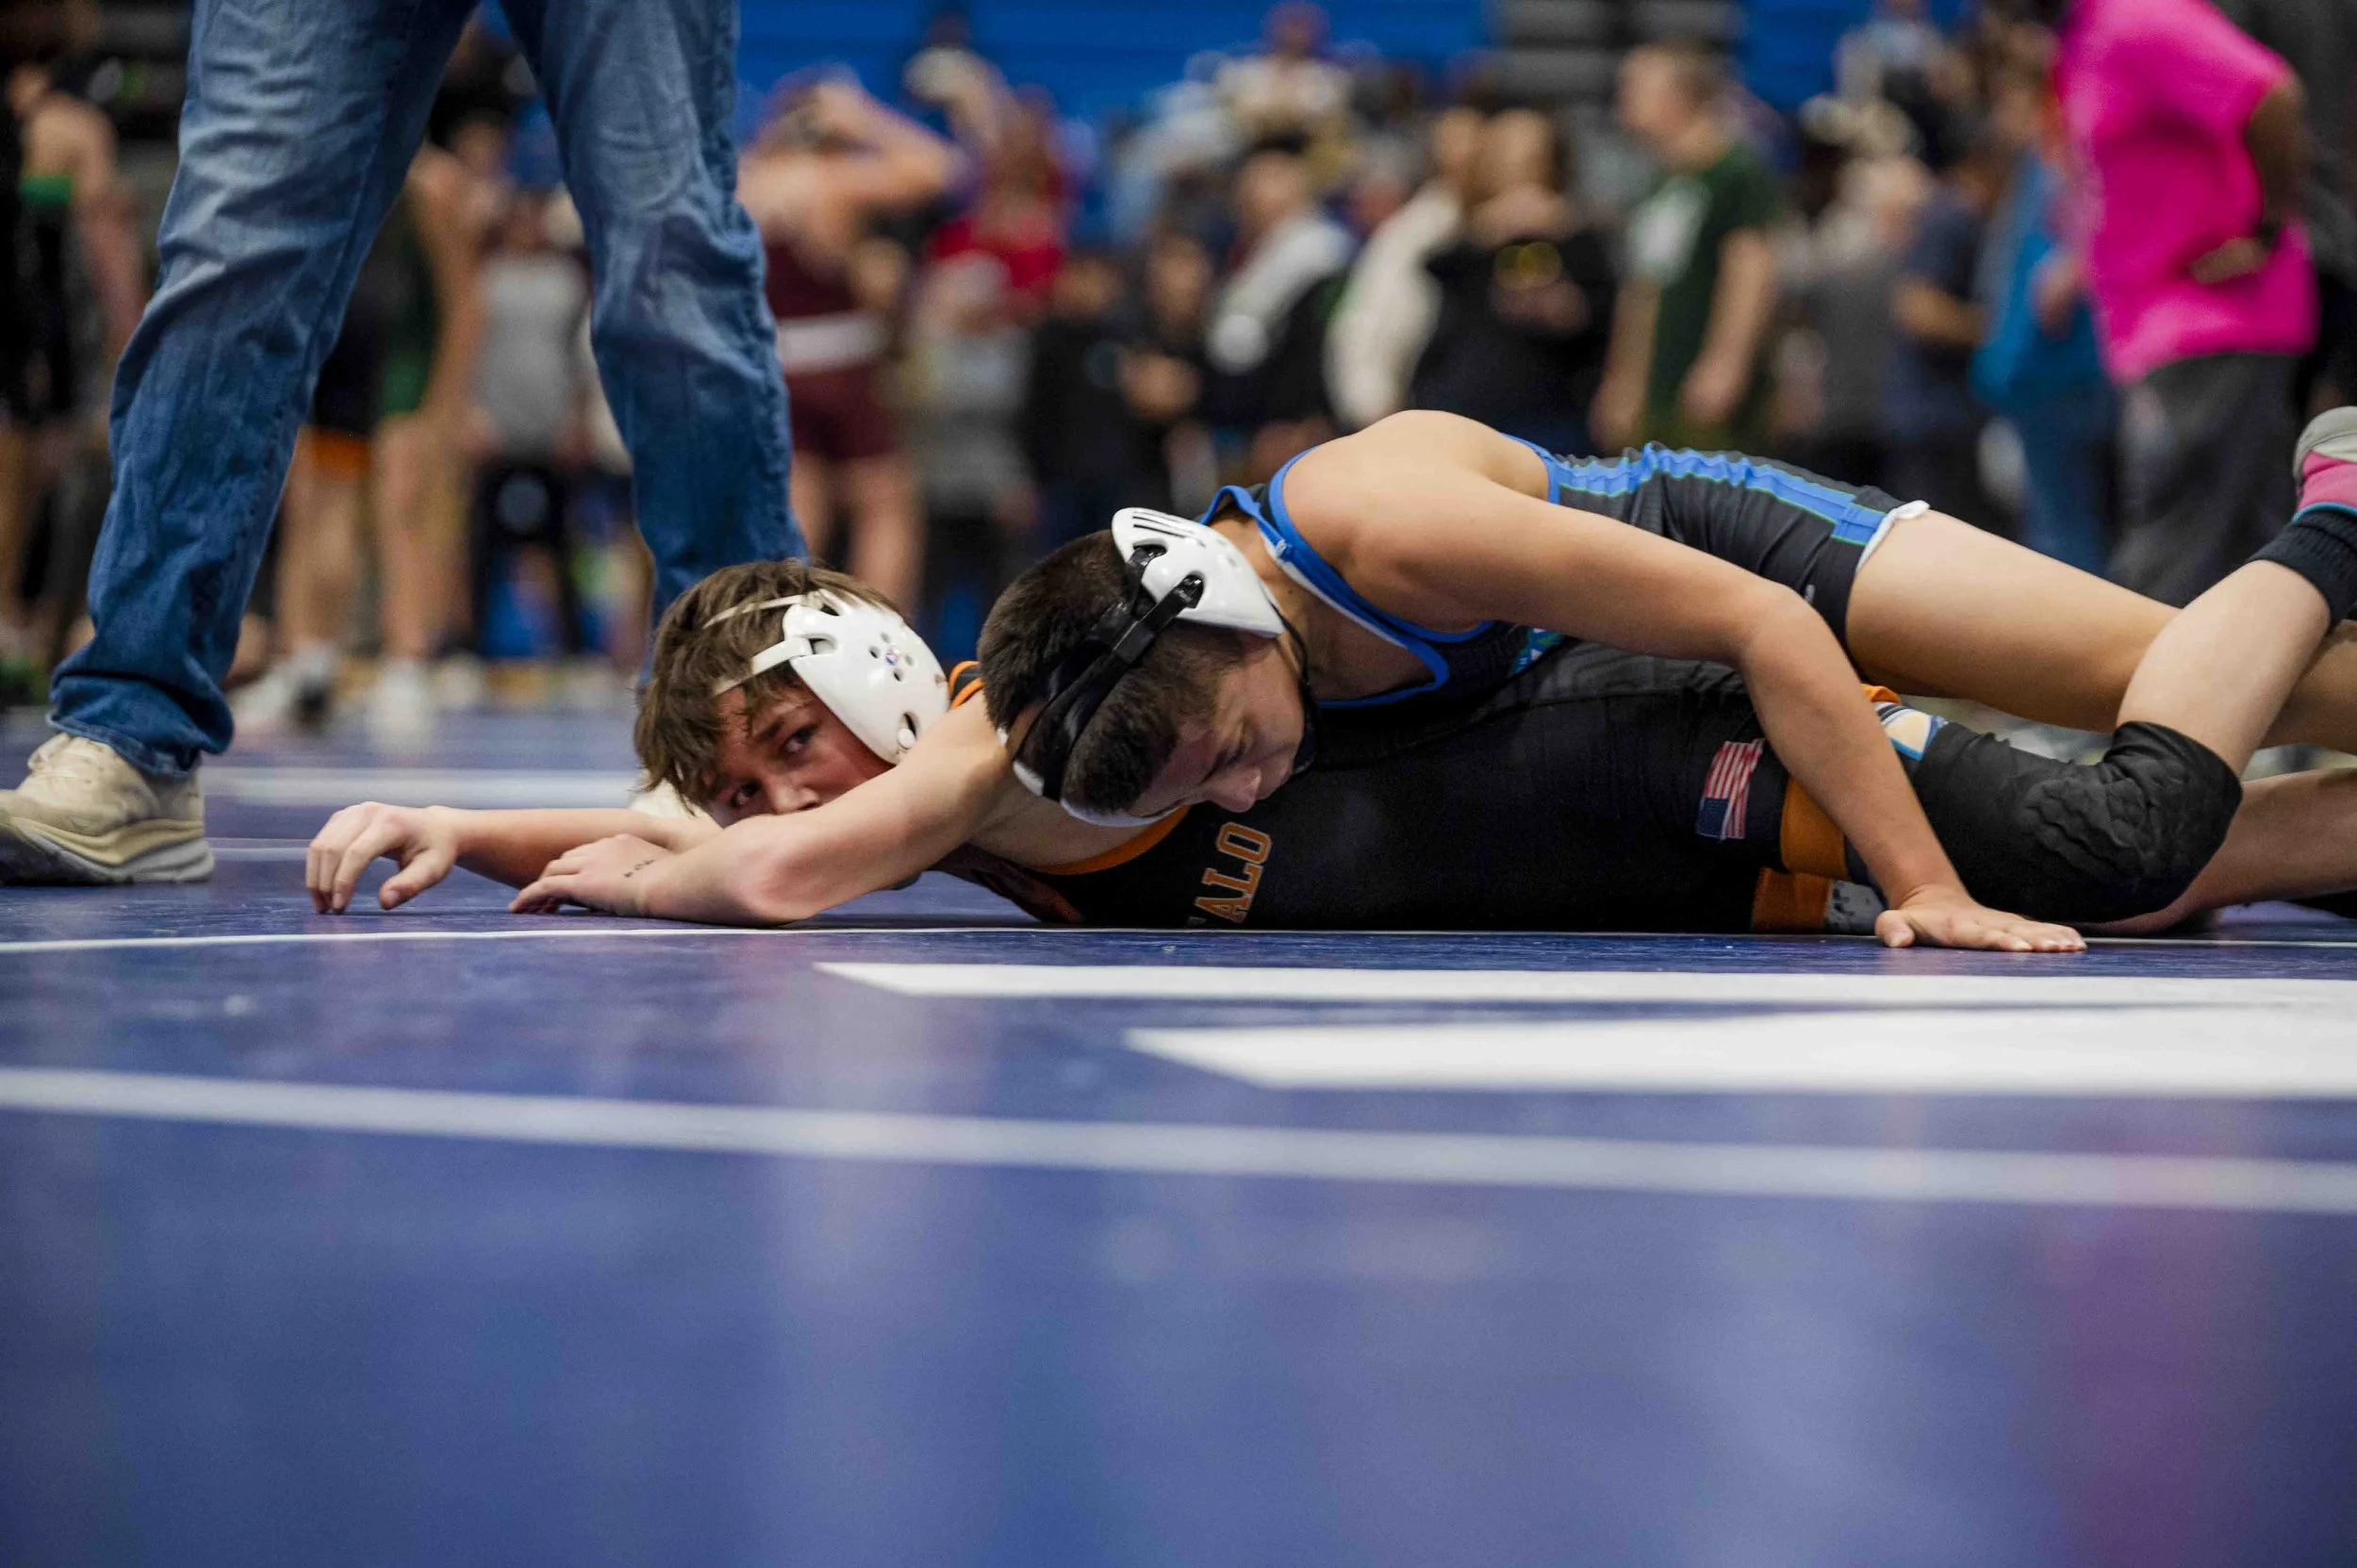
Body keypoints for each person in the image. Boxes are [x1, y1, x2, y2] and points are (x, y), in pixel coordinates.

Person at [314, 405, 2357, 950]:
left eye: (784, 747)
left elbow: (1759, 625)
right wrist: (468, 826)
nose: (787, 797)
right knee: (2149, 834)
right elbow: (723, 829)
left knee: (2159, 681)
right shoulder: (1094, 679)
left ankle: (2334, 496)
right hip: (1614, 698)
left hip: (1721, 564)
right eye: (756, 780)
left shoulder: (1359, 533)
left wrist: (1916, 886)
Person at [0, 0, 803, 888]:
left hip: (410, 367)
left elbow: (463, 297)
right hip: (383, 369)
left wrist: (449, 396)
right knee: (237, 235)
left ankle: (749, 742)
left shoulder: (446, 205)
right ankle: (134, 729)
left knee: (671, 256)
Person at [2036, 0, 2316, 603]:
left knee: (2173, 573)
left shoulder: (2139, 18)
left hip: (2210, 327)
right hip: (2168, 330)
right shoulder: (2087, 35)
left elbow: (2271, 95)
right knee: (2240, 560)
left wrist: (2266, 229)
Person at [738, 78, 957, 611]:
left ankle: (785, 632)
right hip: (842, 361)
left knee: (799, 513)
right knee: (885, 505)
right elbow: (942, 169)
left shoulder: (748, 179)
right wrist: (864, 118)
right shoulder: (831, 179)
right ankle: (884, 628)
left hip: (773, 363)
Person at [1592, 43, 1784, 454]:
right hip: (1659, 385)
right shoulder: (1660, 182)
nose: (1622, 97)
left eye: (1636, 87)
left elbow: (1750, 269)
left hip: (1705, 382)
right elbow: (1644, 287)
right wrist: (1624, 378)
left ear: (1678, 98)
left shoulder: (1734, 173)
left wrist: (1727, 360)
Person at [1406, 108, 1616, 457]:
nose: (1518, 172)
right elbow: (1434, 272)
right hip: (1466, 407)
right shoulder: (1461, 226)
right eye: (1505, 158)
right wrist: (1487, 230)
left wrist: (1567, 306)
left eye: (1530, 160)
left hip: (1551, 412)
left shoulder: (1578, 232)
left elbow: (1605, 311)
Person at [1324, 105, 1483, 431]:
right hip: (1425, 413)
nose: (1462, 163)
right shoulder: (1412, 233)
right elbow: (1365, 324)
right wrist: (1373, 405)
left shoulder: (1529, 221)